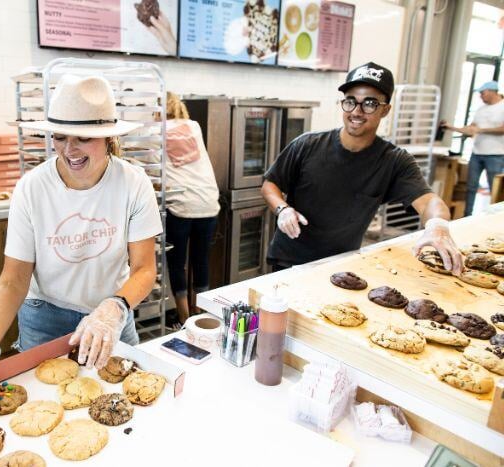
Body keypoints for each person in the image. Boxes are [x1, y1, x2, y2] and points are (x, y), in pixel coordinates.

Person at [0, 75, 162, 398]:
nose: (69, 150)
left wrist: (113, 309)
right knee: (46, 406)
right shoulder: (32, 188)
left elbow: (144, 269)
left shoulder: (132, 183)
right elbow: (13, 281)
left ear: (108, 139)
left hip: (113, 315)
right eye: (59, 136)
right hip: (46, 318)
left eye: (82, 138)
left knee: (124, 402)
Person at [262, 62, 463, 275]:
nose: (356, 112)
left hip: (342, 265)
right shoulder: (307, 145)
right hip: (289, 261)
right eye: (350, 101)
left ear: (385, 110)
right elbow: (270, 184)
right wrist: (283, 209)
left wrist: (438, 225)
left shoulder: (393, 161)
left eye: (369, 103)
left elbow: (429, 201)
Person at [161, 92, 220, 327]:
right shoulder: (194, 127)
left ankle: (184, 316)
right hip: (208, 202)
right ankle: (199, 312)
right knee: (201, 260)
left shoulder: (157, 130)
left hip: (181, 206)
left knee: (177, 262)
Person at [441, 80, 504, 216]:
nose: (481, 96)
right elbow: (471, 130)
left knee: (495, 189)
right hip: (476, 153)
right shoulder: (481, 109)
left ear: (492, 91)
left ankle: (495, 217)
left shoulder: (502, 107)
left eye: (483, 93)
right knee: (470, 187)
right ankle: (467, 215)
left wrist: (481, 130)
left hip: (495, 155)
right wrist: (451, 127)